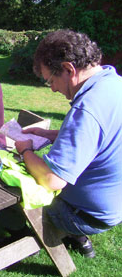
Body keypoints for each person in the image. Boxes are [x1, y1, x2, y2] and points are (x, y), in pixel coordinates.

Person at [14, 29, 122, 258]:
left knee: (12, 189)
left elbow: (53, 179)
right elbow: (99, 138)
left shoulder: (87, 108)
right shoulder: (113, 84)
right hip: (112, 207)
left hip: (84, 214)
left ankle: (23, 243)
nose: (52, 88)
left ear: (68, 69)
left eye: (51, 80)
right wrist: (55, 134)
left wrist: (26, 151)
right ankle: (77, 240)